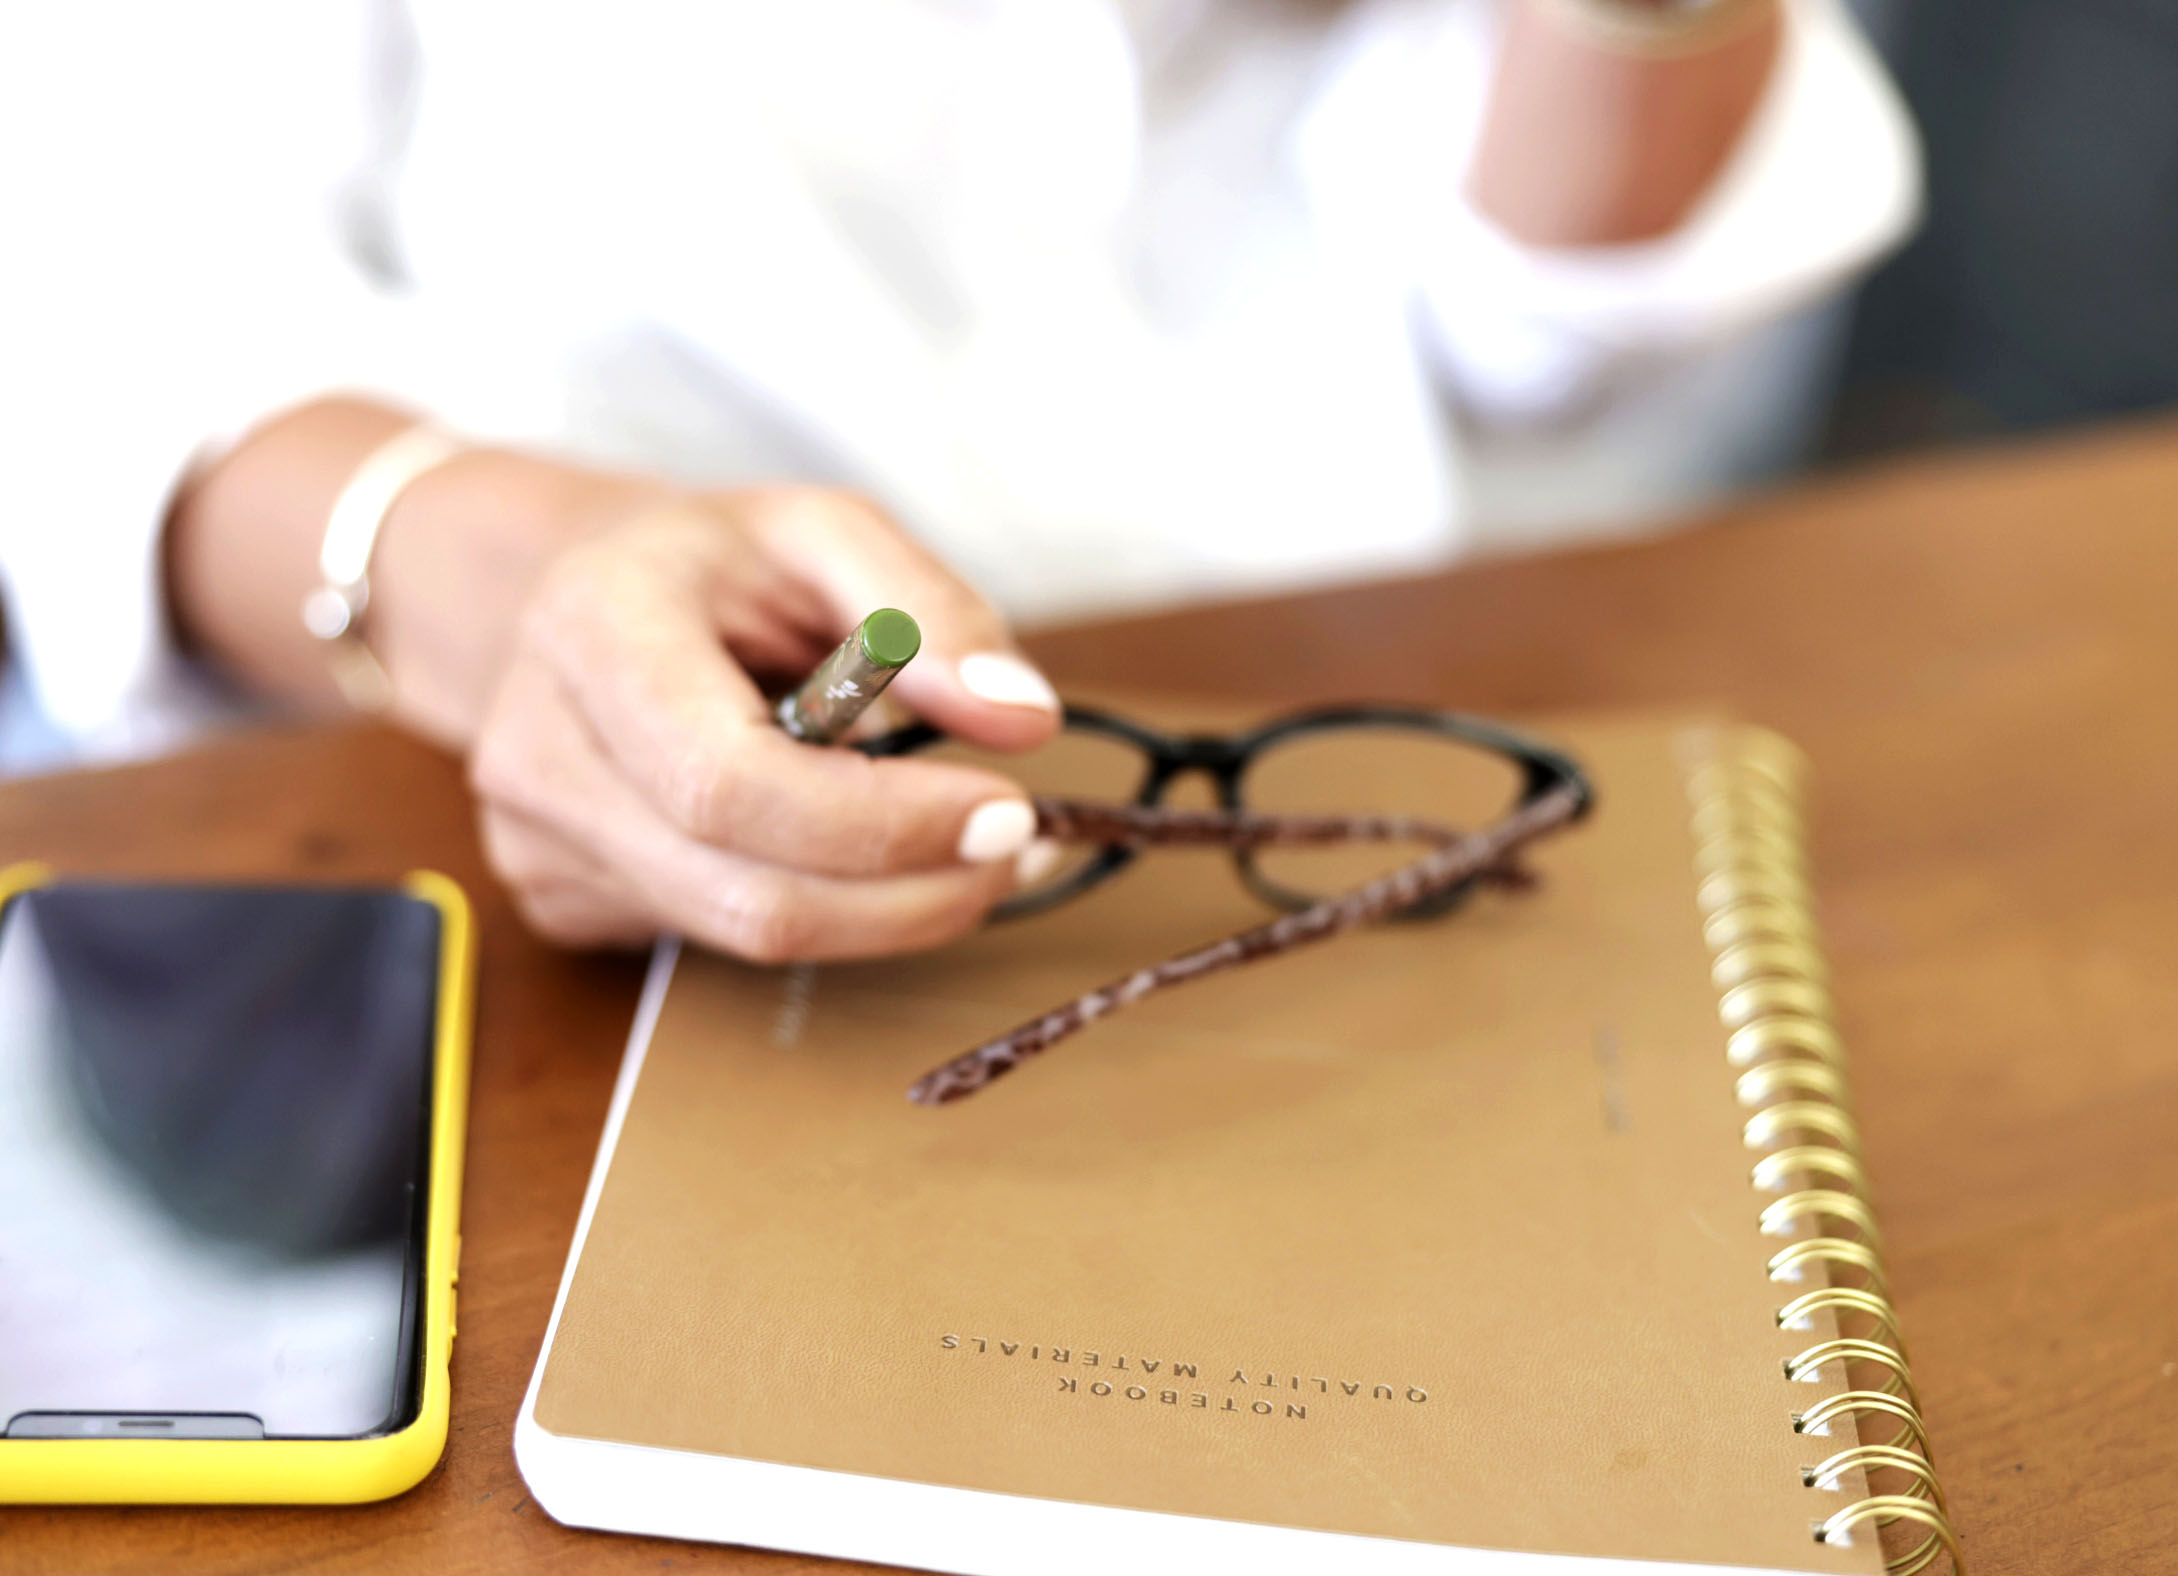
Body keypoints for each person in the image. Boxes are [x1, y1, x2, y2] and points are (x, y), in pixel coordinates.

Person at [0, 0, 1917, 964]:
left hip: (1318, 716)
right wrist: (516, 578)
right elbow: (100, 317)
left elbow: (1542, 330)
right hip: (429, 864)